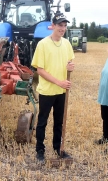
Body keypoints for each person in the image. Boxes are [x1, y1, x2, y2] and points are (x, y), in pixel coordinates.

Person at [31, 13, 75, 163]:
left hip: (62, 92)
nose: (62, 28)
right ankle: (40, 151)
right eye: (60, 25)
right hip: (47, 91)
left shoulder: (67, 44)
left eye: (64, 25)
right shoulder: (43, 44)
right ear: (53, 25)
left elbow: (70, 63)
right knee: (42, 122)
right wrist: (59, 82)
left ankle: (58, 148)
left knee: (59, 122)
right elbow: (40, 70)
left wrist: (71, 67)